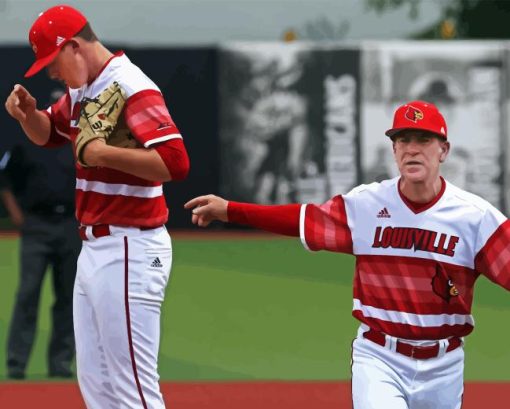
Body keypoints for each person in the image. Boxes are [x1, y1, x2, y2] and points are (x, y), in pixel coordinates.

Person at [185, 100, 510, 409]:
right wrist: (231, 210)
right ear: (394, 150)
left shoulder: (475, 217)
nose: (412, 149)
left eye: (424, 139)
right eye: (403, 139)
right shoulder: (367, 205)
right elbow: (303, 219)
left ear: (444, 150)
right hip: (381, 358)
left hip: (445, 364)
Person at [5, 4, 189, 408]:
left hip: (130, 248)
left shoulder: (129, 86)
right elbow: (50, 134)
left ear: (73, 47)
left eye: (53, 62)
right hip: (96, 248)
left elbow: (175, 162)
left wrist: (103, 154)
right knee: (98, 387)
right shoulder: (84, 86)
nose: (51, 73)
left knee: (133, 390)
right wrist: (28, 115)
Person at [1, 88, 80, 380]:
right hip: (37, 225)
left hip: (71, 225)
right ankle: (16, 363)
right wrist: (18, 216)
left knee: (69, 296)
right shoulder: (29, 139)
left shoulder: (79, 139)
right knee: (28, 293)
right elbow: (5, 178)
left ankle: (61, 363)